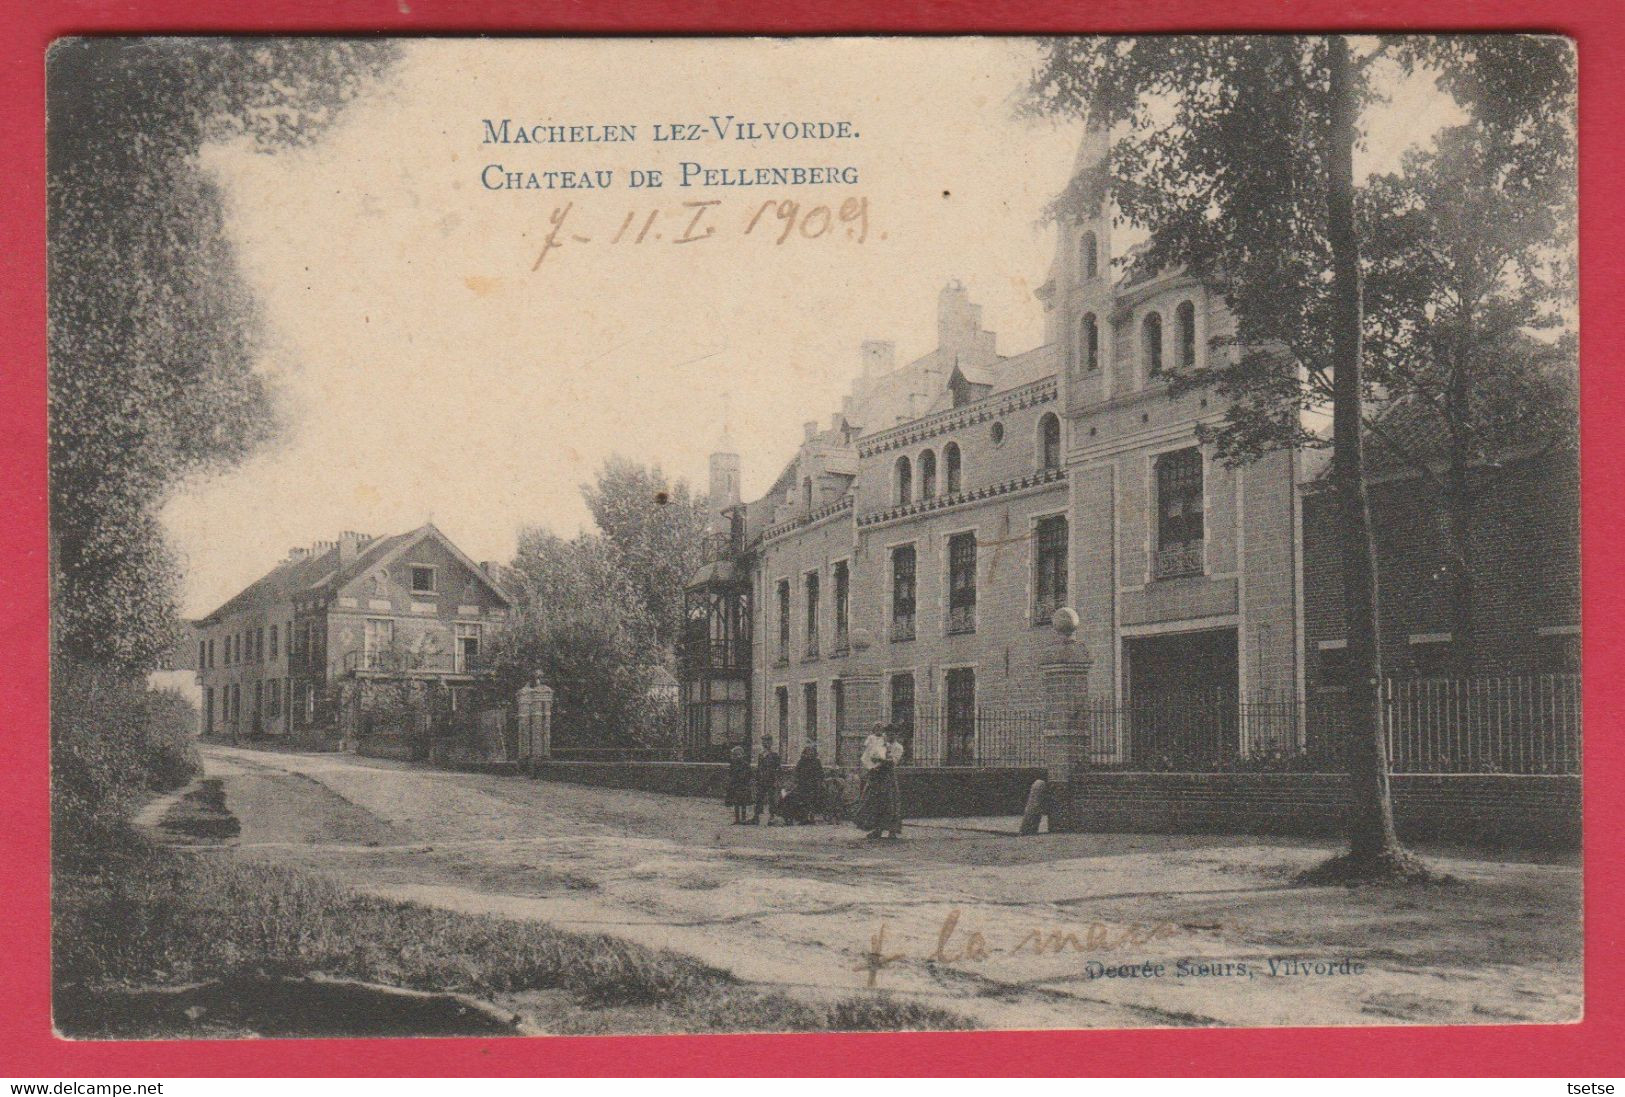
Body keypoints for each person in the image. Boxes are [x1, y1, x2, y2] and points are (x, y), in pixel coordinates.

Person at [852, 722, 903, 840]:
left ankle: (892, 831)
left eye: (892, 734)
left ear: (896, 735)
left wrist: (881, 759)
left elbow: (893, 762)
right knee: (875, 802)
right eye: (888, 733)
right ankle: (877, 830)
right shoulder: (880, 744)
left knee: (891, 802)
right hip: (877, 775)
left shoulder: (898, 747)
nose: (889, 736)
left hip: (888, 776)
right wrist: (873, 762)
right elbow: (870, 756)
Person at [779, 744, 826, 824]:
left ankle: (809, 817)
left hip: (813, 786)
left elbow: (820, 774)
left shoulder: (816, 762)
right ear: (805, 753)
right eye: (808, 752)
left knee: (811, 799)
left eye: (812, 752)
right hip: (802, 785)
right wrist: (794, 783)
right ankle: (791, 817)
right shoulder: (801, 761)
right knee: (789, 797)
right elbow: (796, 773)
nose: (810, 754)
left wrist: (819, 783)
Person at [751, 735, 782, 825]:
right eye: (764, 741)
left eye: (768, 741)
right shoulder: (761, 755)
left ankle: (772, 817)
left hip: (771, 780)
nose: (765, 743)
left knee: (772, 799)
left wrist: (777, 780)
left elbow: (778, 769)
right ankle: (756, 817)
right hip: (761, 780)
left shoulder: (775, 755)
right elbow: (759, 768)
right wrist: (756, 779)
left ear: (771, 743)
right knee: (759, 798)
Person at [724, 744, 752, 824]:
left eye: (738, 755)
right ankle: (737, 819)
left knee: (743, 803)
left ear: (742, 755)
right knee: (736, 802)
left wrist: (744, 779)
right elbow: (730, 773)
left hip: (743, 785)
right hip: (735, 785)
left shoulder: (745, 764)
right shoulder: (733, 764)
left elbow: (749, 774)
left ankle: (743, 818)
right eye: (735, 755)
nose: (737, 757)